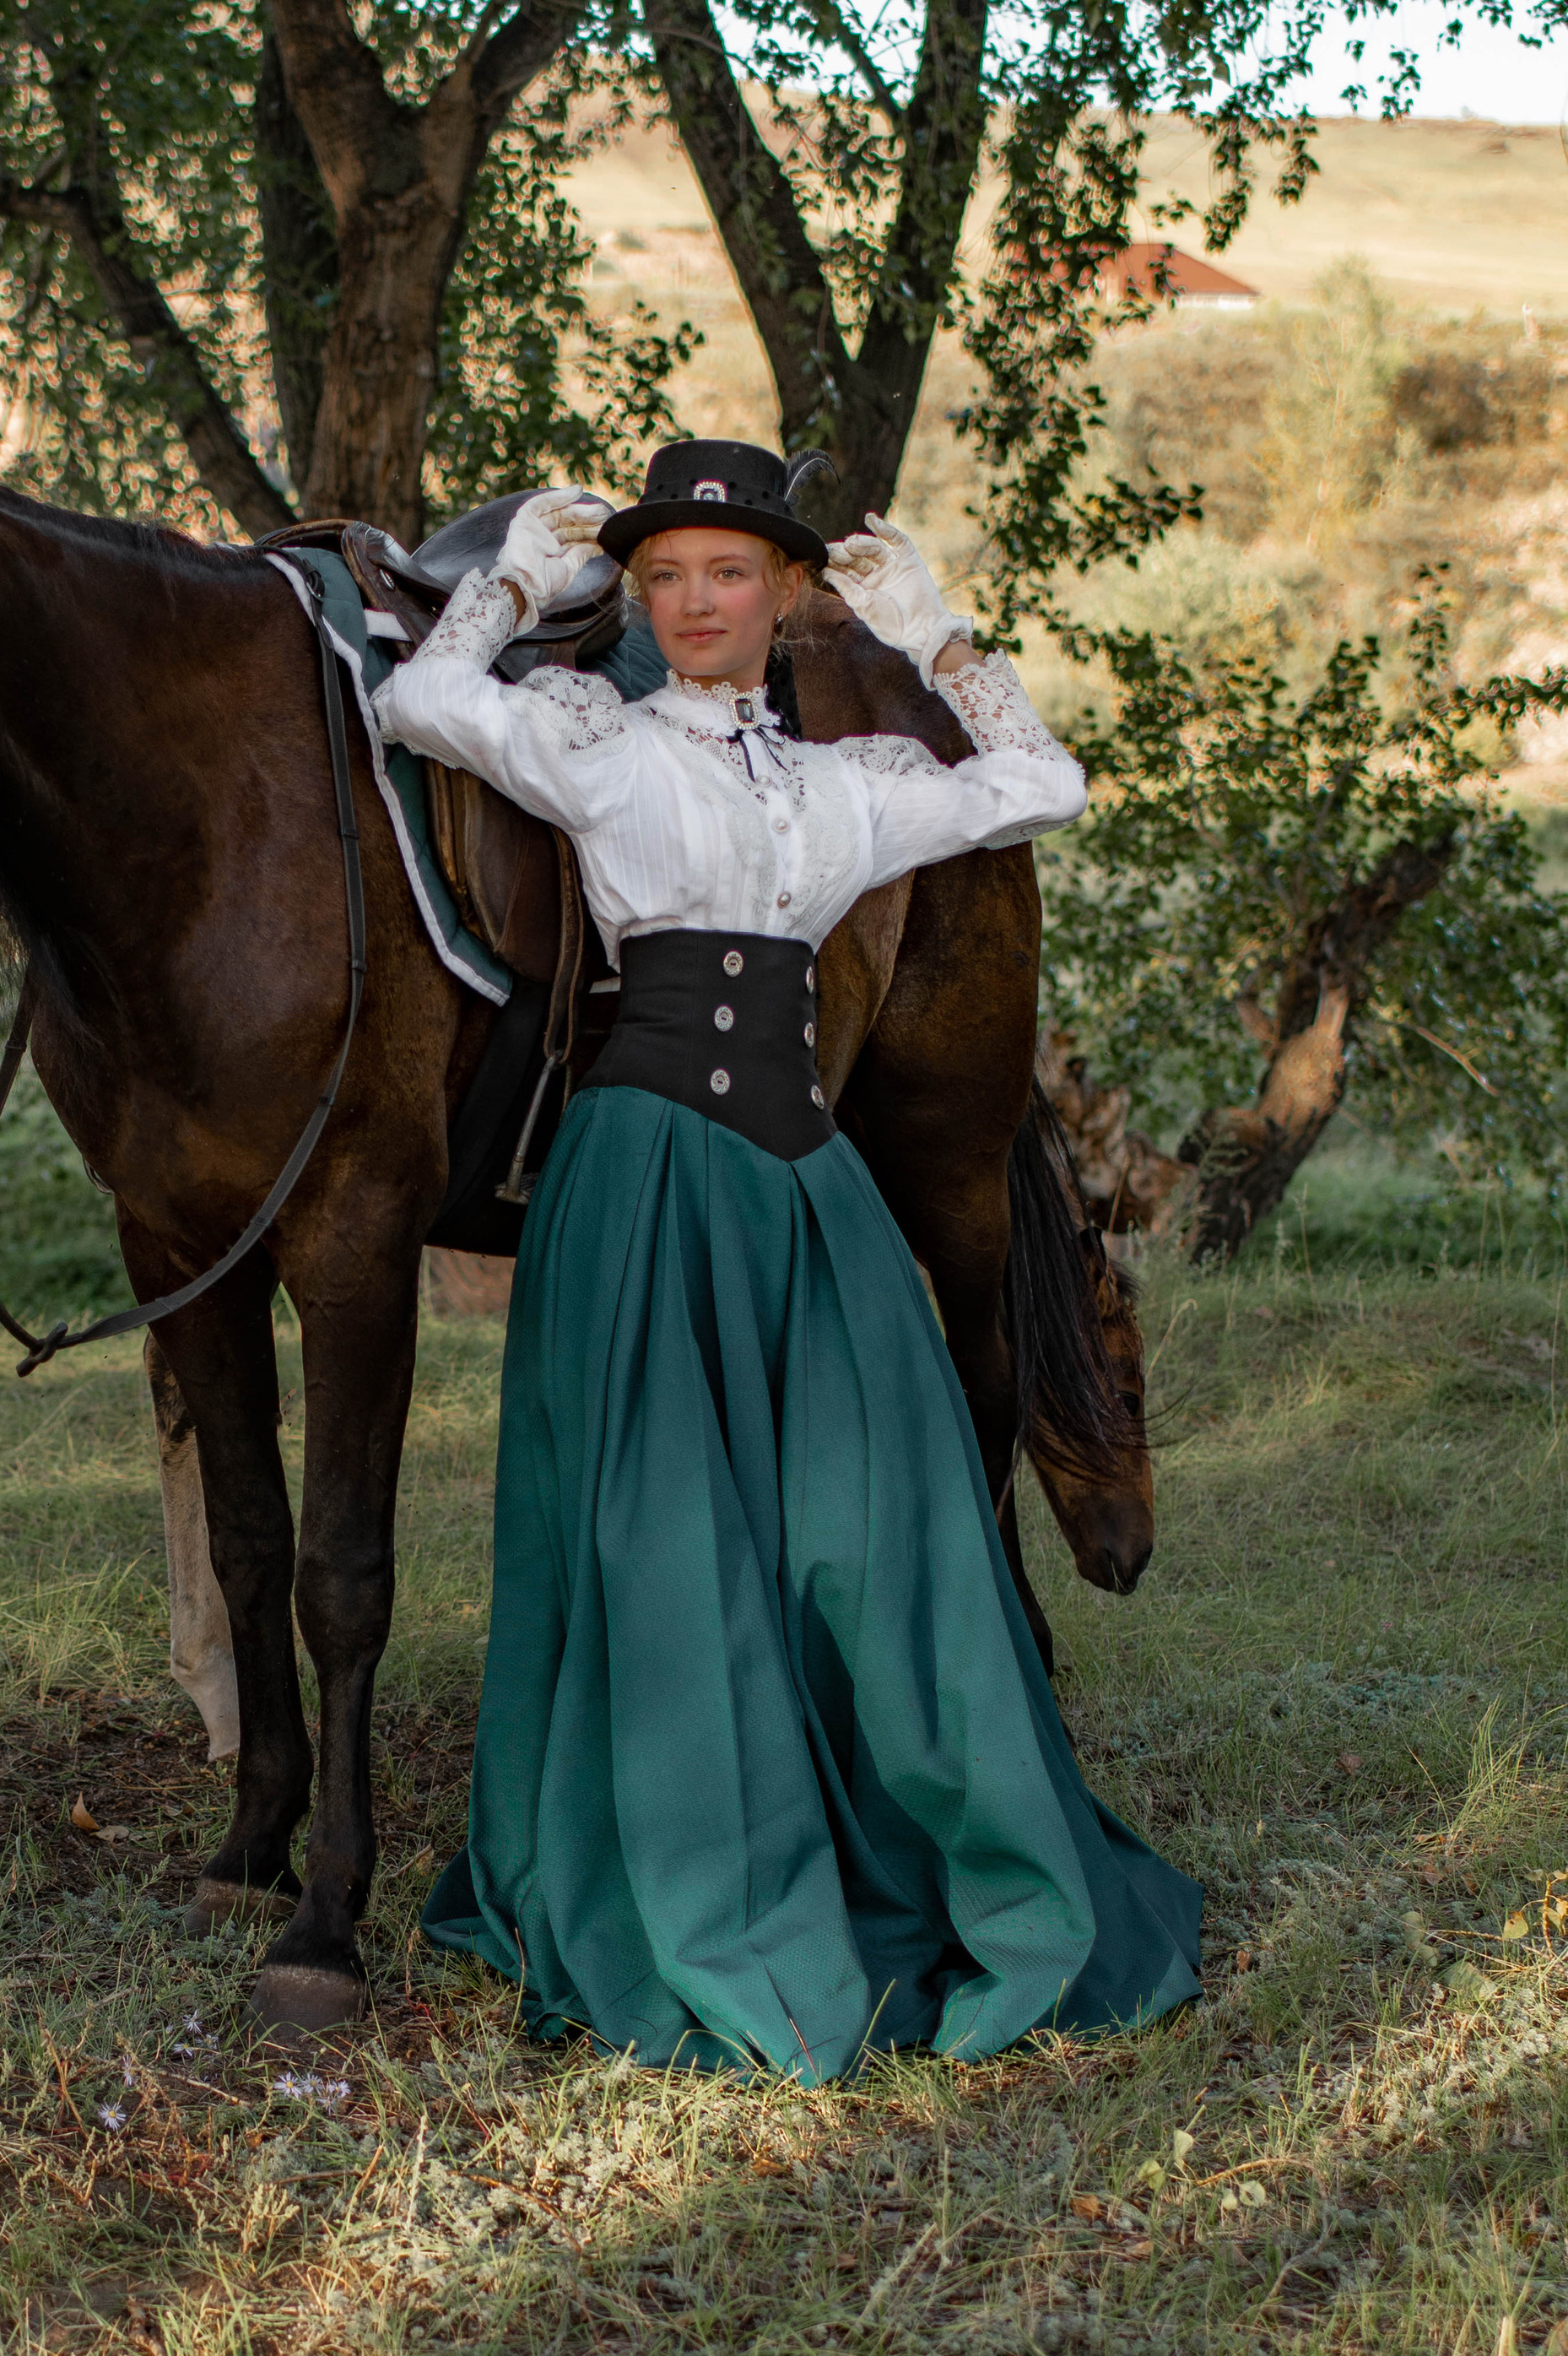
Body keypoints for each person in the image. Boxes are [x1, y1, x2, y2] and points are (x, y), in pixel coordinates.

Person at [376, 440, 1201, 2082]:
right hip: (634, 1185)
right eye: (663, 575)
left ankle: (915, 1835)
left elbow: (1039, 789)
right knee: (654, 1536)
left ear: (780, 594)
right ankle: (687, 1878)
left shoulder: (848, 784)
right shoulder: (590, 741)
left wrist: (943, 633)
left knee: (875, 1531)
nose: (691, 602)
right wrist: (516, 590)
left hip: (799, 1186)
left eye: (725, 572)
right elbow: (420, 705)